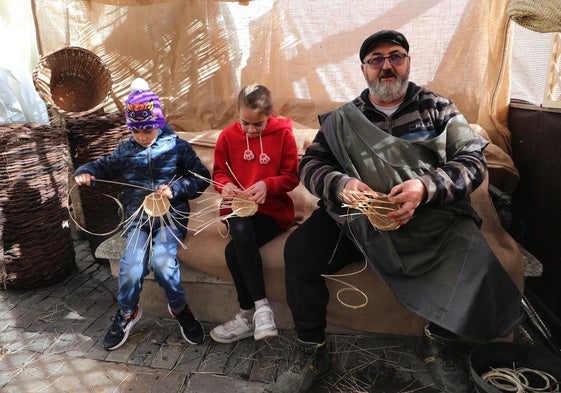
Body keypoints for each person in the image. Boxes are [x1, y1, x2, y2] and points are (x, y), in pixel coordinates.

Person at [271, 30, 524, 393]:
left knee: (474, 257)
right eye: (376, 59)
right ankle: (313, 349)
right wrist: (342, 185)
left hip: (429, 215)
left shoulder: (438, 107)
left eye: (395, 56)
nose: (386, 65)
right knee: (300, 251)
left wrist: (425, 187)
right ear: (364, 70)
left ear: (407, 62)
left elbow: (472, 161)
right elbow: (310, 166)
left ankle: (439, 342)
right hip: (357, 219)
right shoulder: (344, 120)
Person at [74, 78, 211, 350]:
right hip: (137, 218)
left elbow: (202, 179)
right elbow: (103, 166)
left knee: (162, 262)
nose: (142, 137)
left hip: (171, 218)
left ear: (159, 122)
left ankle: (180, 308)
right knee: (131, 266)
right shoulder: (125, 150)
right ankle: (128, 312)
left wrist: (177, 189)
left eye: (148, 130)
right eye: (136, 132)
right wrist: (86, 172)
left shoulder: (177, 147)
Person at [209, 84, 299, 343]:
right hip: (237, 209)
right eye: (244, 123)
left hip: (272, 211)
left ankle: (249, 314)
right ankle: (260, 310)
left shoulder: (283, 135)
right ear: (237, 114)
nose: (250, 129)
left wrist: (268, 185)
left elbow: (291, 177)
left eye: (257, 124)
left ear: (270, 115)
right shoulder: (227, 136)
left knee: (233, 249)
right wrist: (224, 185)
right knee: (238, 231)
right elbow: (219, 174)